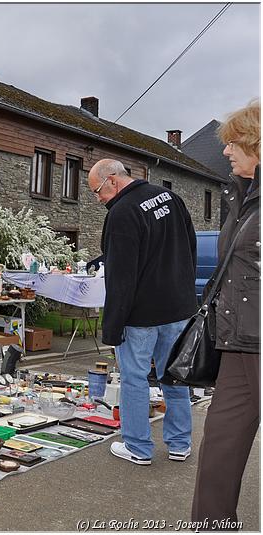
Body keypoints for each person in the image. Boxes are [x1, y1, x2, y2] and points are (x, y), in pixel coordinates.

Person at [87, 158, 197, 465]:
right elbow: (188, 248)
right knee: (174, 376)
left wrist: (112, 325)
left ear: (113, 181)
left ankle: (137, 447)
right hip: (177, 308)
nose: (98, 199)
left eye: (98, 191)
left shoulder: (122, 212)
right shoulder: (170, 198)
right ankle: (179, 444)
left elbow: (121, 278)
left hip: (142, 316)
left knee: (134, 379)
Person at [192, 100, 260, 528]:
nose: (226, 152)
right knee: (218, 447)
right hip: (237, 344)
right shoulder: (240, 197)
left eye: (233, 143)